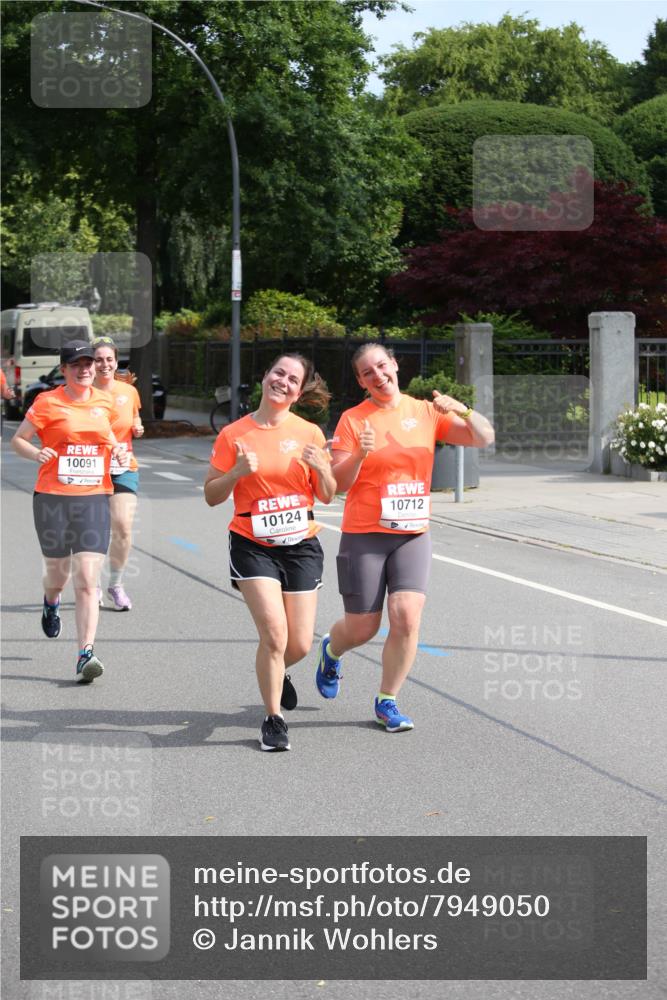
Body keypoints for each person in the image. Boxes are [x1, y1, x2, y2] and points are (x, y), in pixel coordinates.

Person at [315, 343, 495, 732]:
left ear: (395, 365)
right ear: (361, 382)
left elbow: (484, 437)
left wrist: (460, 408)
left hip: (412, 533)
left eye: (382, 366)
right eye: (368, 373)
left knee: (407, 617)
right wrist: (359, 456)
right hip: (365, 534)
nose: (378, 376)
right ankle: (332, 649)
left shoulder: (425, 412)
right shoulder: (352, 420)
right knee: (362, 627)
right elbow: (339, 485)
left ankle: (387, 700)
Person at [204, 354, 336, 752]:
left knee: (298, 644)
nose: (283, 381)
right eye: (278, 372)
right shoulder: (233, 435)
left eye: (293, 379)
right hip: (252, 542)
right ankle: (273, 719)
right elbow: (212, 495)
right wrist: (235, 474)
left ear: (299, 392)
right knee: (275, 635)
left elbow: (328, 494)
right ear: (265, 377)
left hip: (301, 545)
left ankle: (279, 672)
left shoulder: (310, 433)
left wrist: (323, 468)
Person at [11, 340, 129, 682]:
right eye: (76, 364)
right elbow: (19, 439)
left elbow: (109, 438)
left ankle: (85, 654)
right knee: (58, 574)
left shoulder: (105, 403)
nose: (85, 369)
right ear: (64, 370)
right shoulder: (47, 402)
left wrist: (119, 453)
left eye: (89, 363)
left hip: (93, 498)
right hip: (52, 498)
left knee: (88, 581)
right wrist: (36, 454)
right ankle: (50, 601)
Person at [93, 336, 144, 610]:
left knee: (123, 526)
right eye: (98, 359)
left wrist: (138, 427)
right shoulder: (83, 392)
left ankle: (115, 584)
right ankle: (93, 585)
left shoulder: (129, 392)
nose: (104, 364)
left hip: (123, 466)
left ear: (116, 362)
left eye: (109, 359)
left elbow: (134, 418)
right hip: (91, 467)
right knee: (96, 531)